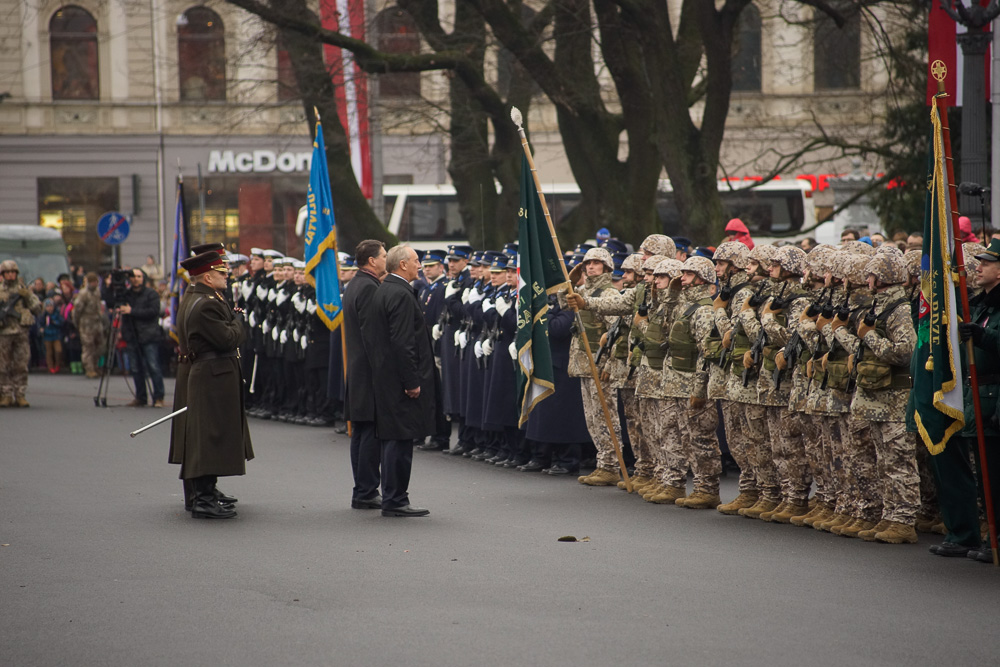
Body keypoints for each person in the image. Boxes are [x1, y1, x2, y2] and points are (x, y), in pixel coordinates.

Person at [168, 251, 253, 519]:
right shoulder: (206, 304)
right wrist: (239, 322)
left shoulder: (198, 297)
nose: (227, 276)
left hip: (209, 373)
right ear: (207, 276)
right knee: (208, 437)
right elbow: (228, 338)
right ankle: (203, 499)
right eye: (222, 273)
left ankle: (205, 492)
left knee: (206, 435)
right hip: (211, 375)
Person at [367, 245, 438, 517]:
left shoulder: (386, 289)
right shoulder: (400, 294)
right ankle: (396, 499)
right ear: (403, 265)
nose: (420, 265)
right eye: (416, 260)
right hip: (398, 382)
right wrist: (412, 381)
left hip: (386, 378)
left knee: (392, 439)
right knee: (399, 440)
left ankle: (393, 497)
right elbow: (403, 342)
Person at [343, 239, 387, 510]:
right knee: (370, 432)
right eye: (383, 256)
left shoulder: (355, 284)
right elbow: (374, 337)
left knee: (362, 432)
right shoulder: (369, 288)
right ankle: (367, 491)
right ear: (372, 260)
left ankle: (362, 488)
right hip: (369, 372)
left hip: (358, 369)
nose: (386, 259)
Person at [119, 268, 166, 407]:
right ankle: (141, 397)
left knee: (153, 367)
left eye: (139, 276)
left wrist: (132, 311)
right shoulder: (126, 294)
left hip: (149, 335)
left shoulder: (151, 294)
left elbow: (153, 312)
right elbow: (110, 299)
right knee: (135, 368)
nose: (136, 279)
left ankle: (158, 397)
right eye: (133, 277)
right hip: (132, 336)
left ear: (143, 278)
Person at [0, 260, 42, 407]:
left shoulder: (22, 290)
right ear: (3, 274)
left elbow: (37, 309)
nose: (10, 275)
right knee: (3, 365)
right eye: (7, 273)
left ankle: (20, 394)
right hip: (4, 333)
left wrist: (27, 296)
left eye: (13, 272)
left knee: (21, 364)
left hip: (21, 332)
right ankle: (5, 394)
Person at [72, 272, 107, 378]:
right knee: (88, 347)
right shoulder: (83, 294)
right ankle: (89, 369)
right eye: (93, 282)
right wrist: (76, 323)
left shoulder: (97, 292)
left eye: (96, 282)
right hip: (86, 324)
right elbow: (77, 310)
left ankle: (96, 367)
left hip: (96, 322)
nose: (95, 284)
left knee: (100, 346)